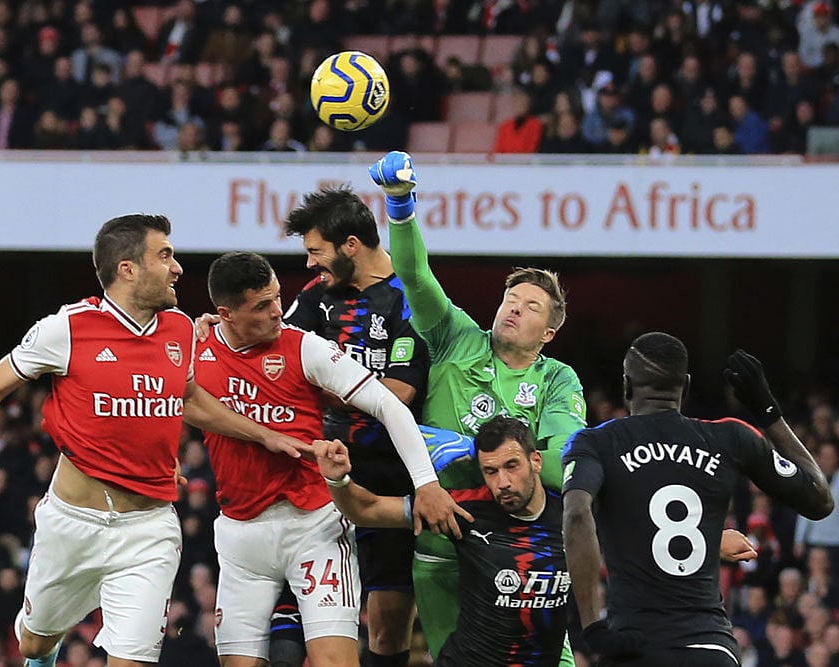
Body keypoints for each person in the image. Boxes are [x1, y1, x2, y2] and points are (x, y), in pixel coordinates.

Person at [0, 214, 312, 667]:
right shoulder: (68, 329)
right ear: (127, 269)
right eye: (165, 255)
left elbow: (189, 397)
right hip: (72, 525)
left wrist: (264, 435)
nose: (177, 267)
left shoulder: (178, 329)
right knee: (33, 645)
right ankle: (42, 645)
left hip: (149, 529)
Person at [193, 251, 465, 667]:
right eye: (262, 306)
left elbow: (389, 406)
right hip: (240, 536)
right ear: (225, 313)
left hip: (313, 528)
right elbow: (162, 403)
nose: (277, 312)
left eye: (277, 298)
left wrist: (426, 482)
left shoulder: (304, 347)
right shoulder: (193, 351)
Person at [369, 150, 587, 662]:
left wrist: (469, 451)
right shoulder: (455, 338)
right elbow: (417, 279)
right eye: (512, 298)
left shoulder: (557, 379)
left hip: (523, 542)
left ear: (549, 332)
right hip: (446, 534)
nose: (515, 307)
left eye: (531, 306)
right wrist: (400, 206)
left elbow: (560, 464)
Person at [562, 333, 834, 667]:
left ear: (627, 386)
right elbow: (820, 499)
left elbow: (576, 517)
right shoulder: (730, 436)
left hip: (634, 646)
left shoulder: (596, 443)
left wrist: (592, 626)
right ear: (686, 387)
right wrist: (766, 408)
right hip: (710, 649)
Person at [280, 186, 431, 667]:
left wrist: (322, 379)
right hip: (321, 474)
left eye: (315, 252)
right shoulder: (315, 297)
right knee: (297, 607)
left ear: (350, 245)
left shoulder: (410, 300)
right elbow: (275, 356)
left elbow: (397, 395)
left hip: (389, 477)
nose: (309, 265)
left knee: (387, 624)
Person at [315, 415, 568, 666]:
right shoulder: (465, 510)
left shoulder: (573, 514)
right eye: (490, 471)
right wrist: (338, 480)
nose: (502, 483)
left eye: (512, 466)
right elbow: (366, 510)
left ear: (536, 461)